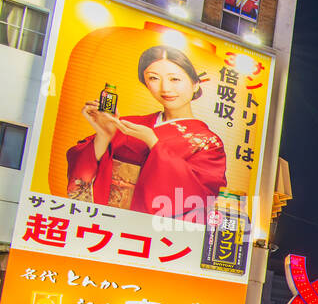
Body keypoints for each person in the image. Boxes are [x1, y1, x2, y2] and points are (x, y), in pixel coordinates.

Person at [67, 45, 225, 220]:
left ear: (195, 84)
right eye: (154, 78)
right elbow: (81, 175)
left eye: (175, 79)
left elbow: (199, 195)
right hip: (105, 219)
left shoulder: (209, 143)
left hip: (151, 231)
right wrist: (104, 136)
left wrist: (154, 144)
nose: (165, 88)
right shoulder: (128, 124)